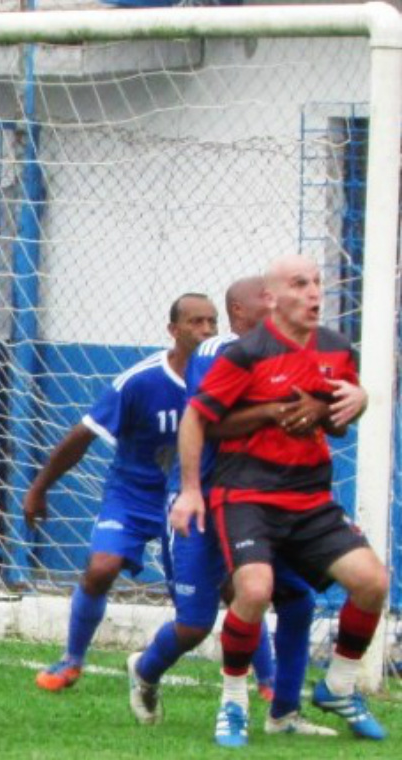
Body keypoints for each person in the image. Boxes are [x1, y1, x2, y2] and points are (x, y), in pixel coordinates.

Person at [172, 254, 388, 746]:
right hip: (246, 493)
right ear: (272, 299)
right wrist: (188, 491)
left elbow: (335, 419)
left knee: (373, 582)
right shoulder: (246, 354)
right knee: (253, 591)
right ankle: (232, 703)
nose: (314, 292)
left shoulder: (337, 348)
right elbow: (198, 419)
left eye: (317, 283)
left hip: (309, 495)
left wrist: (359, 401)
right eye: (300, 284)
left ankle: (338, 686)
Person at [127, 277, 351, 734]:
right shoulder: (218, 353)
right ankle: (145, 671)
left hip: (254, 503)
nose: (276, 310)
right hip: (202, 502)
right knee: (194, 624)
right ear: (240, 312)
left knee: (296, 598)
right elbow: (210, 420)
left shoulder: (286, 354)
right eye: (265, 303)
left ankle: (283, 712)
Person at [25, 293, 218, 691]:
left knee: (231, 586)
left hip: (186, 498)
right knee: (101, 569)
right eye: (196, 322)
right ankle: (71, 660)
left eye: (212, 323)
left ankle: (269, 683)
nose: (205, 331)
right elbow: (82, 436)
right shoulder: (140, 381)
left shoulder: (224, 379)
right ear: (173, 330)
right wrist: (39, 488)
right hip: (133, 497)